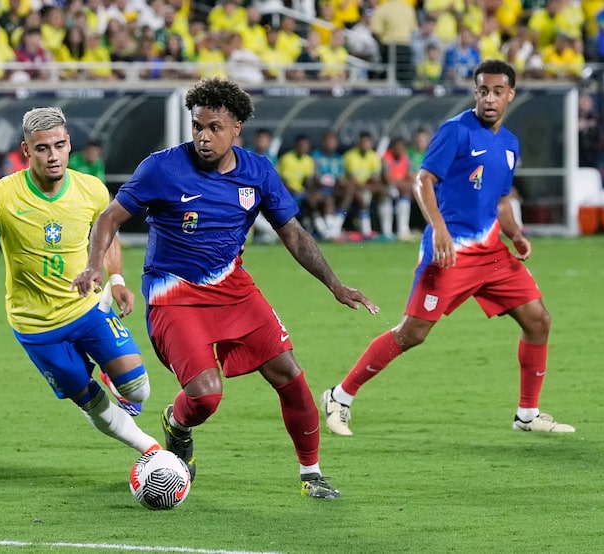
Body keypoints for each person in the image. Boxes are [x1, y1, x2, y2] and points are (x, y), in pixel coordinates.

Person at [73, 77, 379, 499]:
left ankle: (312, 474)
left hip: (233, 290)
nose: (202, 136)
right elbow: (108, 218)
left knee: (290, 374)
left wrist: (334, 284)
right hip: (173, 296)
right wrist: (95, 267)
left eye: (214, 127)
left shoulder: (257, 172)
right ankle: (178, 425)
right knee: (205, 397)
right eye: (197, 126)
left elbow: (293, 234)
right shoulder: (162, 168)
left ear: (237, 127)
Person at [320, 60, 575, 437]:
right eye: (483, 91)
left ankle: (527, 414)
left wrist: (515, 235)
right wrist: (437, 227)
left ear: (511, 95)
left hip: (491, 253)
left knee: (539, 320)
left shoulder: (509, 143)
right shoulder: (455, 131)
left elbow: (501, 201)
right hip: (449, 251)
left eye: (498, 91)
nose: (490, 98)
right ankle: (339, 397)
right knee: (412, 334)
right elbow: (423, 182)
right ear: (475, 92)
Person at [0, 106, 159, 455]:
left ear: (69, 144)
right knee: (88, 399)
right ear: (27, 151)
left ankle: (117, 384)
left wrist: (116, 278)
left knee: (139, 391)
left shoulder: (91, 190)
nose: (53, 156)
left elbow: (107, 234)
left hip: (86, 308)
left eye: (59, 145)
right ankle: (151, 450)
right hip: (36, 326)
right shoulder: (2, 194)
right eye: (42, 148)